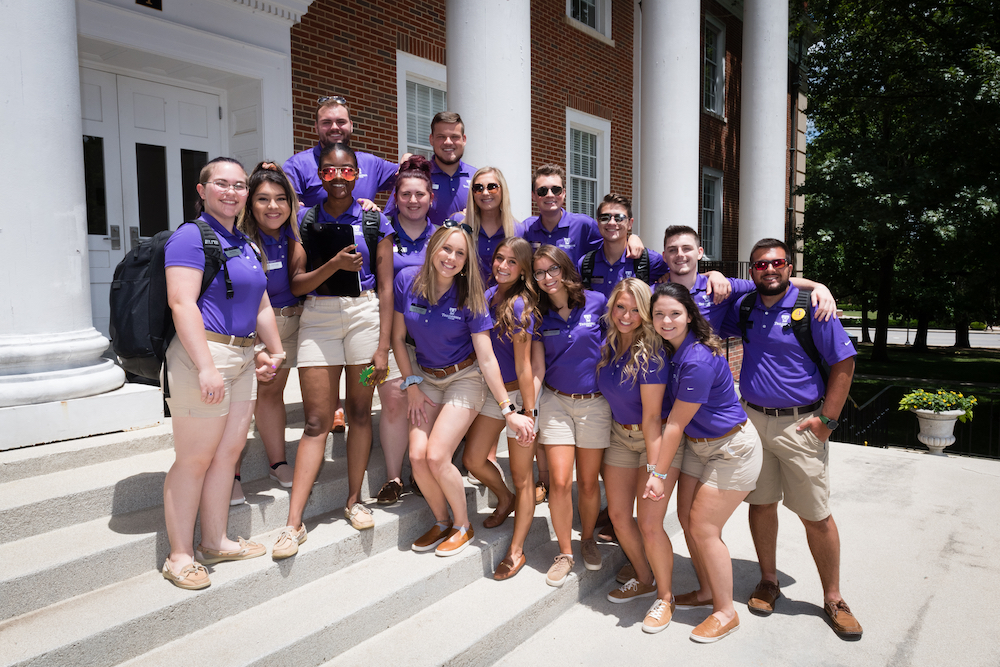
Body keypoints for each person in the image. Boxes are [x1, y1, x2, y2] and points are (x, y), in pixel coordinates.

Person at [721, 238, 862, 639]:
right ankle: (769, 580)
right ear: (752, 271)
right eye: (760, 265)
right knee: (761, 504)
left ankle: (833, 598)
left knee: (815, 514)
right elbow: (706, 308)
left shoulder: (813, 309)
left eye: (777, 263)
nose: (769, 270)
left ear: (789, 266)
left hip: (801, 424)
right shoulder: (745, 307)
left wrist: (827, 422)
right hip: (753, 422)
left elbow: (844, 363)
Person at [161, 157, 284, 589]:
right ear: (202, 190)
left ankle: (215, 540)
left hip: (245, 358)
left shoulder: (248, 243)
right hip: (205, 357)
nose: (231, 192)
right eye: (221, 184)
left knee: (227, 455)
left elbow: (262, 304)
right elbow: (182, 303)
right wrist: (207, 367)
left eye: (238, 185)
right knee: (194, 460)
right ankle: (180, 555)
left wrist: (275, 350)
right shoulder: (190, 238)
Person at [271, 143, 394, 559]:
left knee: (359, 412)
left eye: (346, 172)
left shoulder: (375, 219)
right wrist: (333, 267)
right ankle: (293, 523)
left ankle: (354, 499)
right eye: (328, 172)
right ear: (319, 176)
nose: (338, 178)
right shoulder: (305, 219)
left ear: (358, 174)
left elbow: (387, 287)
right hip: (319, 321)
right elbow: (297, 283)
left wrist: (383, 349)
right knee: (316, 421)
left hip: (364, 319)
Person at [392, 224, 534, 557]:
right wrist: (410, 382)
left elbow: (486, 357)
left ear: (467, 260)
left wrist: (508, 409)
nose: (451, 258)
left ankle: (462, 524)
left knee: (437, 455)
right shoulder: (407, 281)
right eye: (446, 249)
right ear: (432, 248)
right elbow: (398, 339)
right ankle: (441, 521)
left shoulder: (470, 295)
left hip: (464, 378)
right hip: (425, 379)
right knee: (416, 456)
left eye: (460, 253)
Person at [644, 282, 762, 642]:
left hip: (731, 450)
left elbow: (675, 424)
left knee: (703, 528)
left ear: (690, 316)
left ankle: (726, 612)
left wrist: (657, 474)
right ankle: (708, 589)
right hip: (701, 447)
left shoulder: (695, 359)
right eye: (659, 314)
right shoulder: (675, 350)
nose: (666, 320)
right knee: (688, 519)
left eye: (675, 314)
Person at [283, 96, 399, 432]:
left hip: (361, 304)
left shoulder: (371, 163)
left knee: (361, 409)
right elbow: (280, 198)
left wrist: (381, 208)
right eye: (327, 122)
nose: (335, 128)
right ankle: (332, 407)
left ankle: (342, 410)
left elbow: (408, 179)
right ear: (315, 127)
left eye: (341, 121)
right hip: (319, 288)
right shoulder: (298, 164)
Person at [597, 279, 684, 633]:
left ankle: (666, 596)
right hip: (619, 436)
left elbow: (651, 418)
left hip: (656, 441)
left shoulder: (652, 352)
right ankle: (645, 578)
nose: (627, 315)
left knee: (649, 523)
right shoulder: (608, 344)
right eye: (621, 307)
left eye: (635, 309)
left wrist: (655, 472)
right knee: (618, 516)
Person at [459, 238, 541, 579]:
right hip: (494, 396)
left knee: (524, 478)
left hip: (520, 399)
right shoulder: (488, 295)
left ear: (523, 269)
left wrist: (529, 413)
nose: (503, 265)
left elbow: (525, 367)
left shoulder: (522, 304)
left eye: (512, 262)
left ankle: (516, 550)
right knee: (473, 459)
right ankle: (503, 498)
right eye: (499, 258)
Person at [532, 245, 610, 586]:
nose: (547, 278)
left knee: (590, 483)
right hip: (556, 402)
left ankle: (588, 537)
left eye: (553, 270)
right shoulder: (537, 313)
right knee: (561, 481)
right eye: (539, 273)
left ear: (565, 269)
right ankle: (564, 551)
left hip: (595, 403)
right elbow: (536, 366)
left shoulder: (597, 302)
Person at [232, 162, 301, 500]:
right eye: (262, 199)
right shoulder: (240, 240)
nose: (272, 206)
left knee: (272, 395)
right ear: (249, 204)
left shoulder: (295, 233)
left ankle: (277, 463)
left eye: (280, 198)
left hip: (291, 323)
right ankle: (229, 473)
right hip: (254, 326)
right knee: (243, 401)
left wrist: (367, 203)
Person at [373, 155, 438, 506]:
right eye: (406, 194)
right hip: (392, 331)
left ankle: (422, 467)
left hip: (430, 336)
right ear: (395, 197)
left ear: (431, 198)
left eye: (420, 194)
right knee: (395, 399)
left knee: (426, 401)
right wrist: (381, 345)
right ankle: (394, 478)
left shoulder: (441, 236)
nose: (413, 200)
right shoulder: (382, 231)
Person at [662, 225, 837, 332]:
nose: (680, 255)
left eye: (686, 248)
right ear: (664, 256)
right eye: (672, 250)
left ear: (700, 253)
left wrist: (818, 286)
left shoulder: (722, 287)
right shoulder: (652, 293)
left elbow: (769, 281)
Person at [523, 165, 644, 266]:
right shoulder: (527, 228)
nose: (550, 195)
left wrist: (632, 238)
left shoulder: (583, 224)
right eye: (542, 191)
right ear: (533, 195)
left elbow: (612, 240)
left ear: (564, 193)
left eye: (556, 190)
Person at [385, 111, 475, 225]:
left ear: (464, 139)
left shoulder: (477, 178)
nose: (448, 142)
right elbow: (388, 220)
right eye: (441, 137)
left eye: (454, 137)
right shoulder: (417, 175)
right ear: (431, 139)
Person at [578, 194, 668, 298]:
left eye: (619, 218)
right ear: (598, 222)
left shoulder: (649, 260)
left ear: (630, 223)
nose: (612, 222)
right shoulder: (586, 263)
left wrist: (668, 275)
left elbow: (678, 273)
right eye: (605, 218)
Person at [452, 166, 525, 281]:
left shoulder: (518, 230)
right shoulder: (460, 223)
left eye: (492, 187)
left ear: (502, 190)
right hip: (465, 297)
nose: (485, 193)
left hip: (503, 298)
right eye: (478, 188)